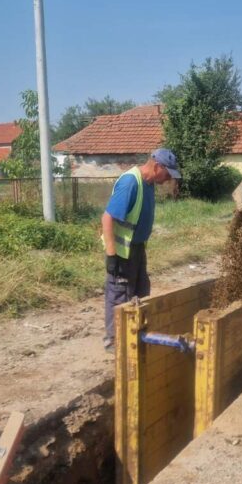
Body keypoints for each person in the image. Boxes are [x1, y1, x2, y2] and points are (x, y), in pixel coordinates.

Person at [101, 148, 180, 351]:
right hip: (121, 251)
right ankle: (114, 341)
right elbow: (107, 218)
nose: (169, 178)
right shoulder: (131, 183)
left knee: (141, 291)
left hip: (137, 248)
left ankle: (135, 334)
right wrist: (112, 256)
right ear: (157, 166)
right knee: (120, 295)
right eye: (168, 173)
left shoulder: (149, 183)